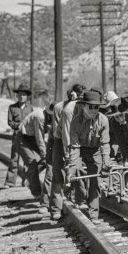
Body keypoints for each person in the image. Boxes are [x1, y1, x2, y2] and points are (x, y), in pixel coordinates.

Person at [66, 88, 111, 222]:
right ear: (83, 106)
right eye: (90, 107)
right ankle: (80, 199)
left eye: (96, 107)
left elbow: (105, 144)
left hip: (95, 150)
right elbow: (74, 147)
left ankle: (93, 214)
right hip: (80, 150)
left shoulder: (103, 120)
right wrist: (72, 168)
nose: (93, 110)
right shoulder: (75, 122)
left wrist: (105, 163)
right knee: (78, 171)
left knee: (95, 180)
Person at [48, 84, 83, 220]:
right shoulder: (60, 107)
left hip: (75, 141)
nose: (77, 98)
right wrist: (68, 153)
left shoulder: (82, 106)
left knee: (77, 170)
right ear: (71, 93)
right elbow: (63, 133)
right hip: (59, 141)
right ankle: (55, 208)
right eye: (76, 94)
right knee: (58, 175)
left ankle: (78, 201)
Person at [18, 91, 50, 213]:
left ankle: (28, 176)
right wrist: (44, 153)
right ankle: (37, 193)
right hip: (23, 138)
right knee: (32, 163)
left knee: (49, 157)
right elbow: (40, 138)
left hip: (32, 138)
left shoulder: (51, 115)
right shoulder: (40, 116)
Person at [3, 85, 32, 188]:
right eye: (20, 94)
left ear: (27, 96)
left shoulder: (30, 108)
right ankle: (10, 182)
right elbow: (10, 122)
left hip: (28, 137)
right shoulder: (12, 108)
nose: (22, 97)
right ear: (17, 95)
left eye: (24, 95)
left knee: (27, 159)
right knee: (14, 159)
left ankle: (26, 181)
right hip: (17, 136)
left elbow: (33, 121)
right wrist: (18, 125)